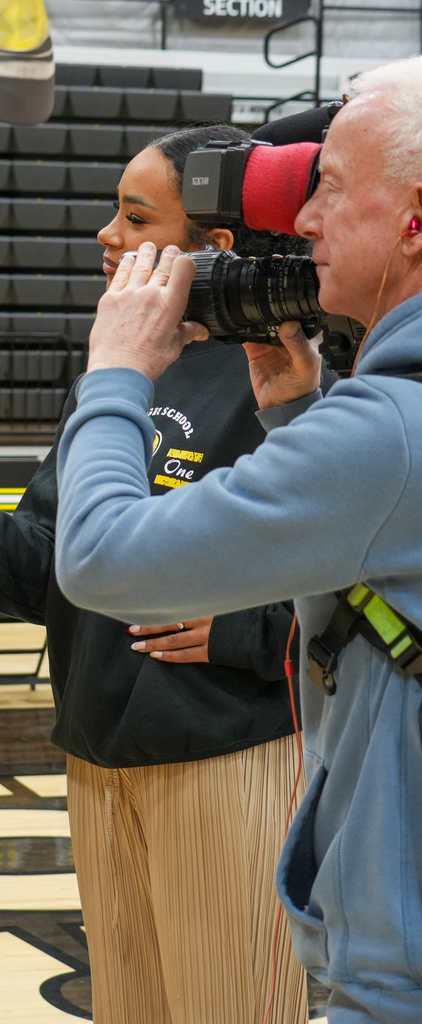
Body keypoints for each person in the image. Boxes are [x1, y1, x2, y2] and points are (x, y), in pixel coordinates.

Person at [0, 125, 322, 1024]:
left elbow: (351, 566)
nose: (107, 235)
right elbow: (50, 568)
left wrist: (248, 631)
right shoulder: (117, 367)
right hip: (98, 754)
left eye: (136, 218)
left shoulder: (288, 371)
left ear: (215, 246)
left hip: (227, 755)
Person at [46, 58, 422, 1024]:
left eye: (328, 188)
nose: (302, 221)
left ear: (415, 220)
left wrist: (115, 373)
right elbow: (374, 585)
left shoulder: (391, 427)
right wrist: (297, 414)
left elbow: (99, 559)